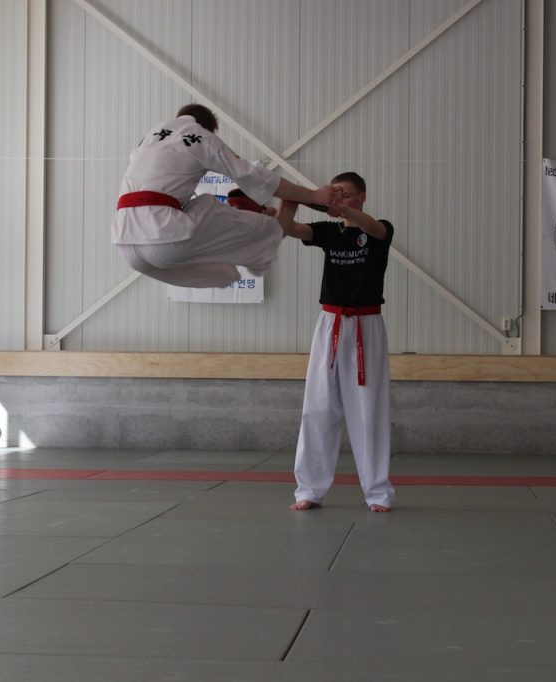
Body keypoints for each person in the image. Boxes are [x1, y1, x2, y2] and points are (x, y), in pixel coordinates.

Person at [112, 103, 339, 288]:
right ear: (209, 129)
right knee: (207, 204)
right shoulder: (200, 136)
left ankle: (246, 248)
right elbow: (251, 175)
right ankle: (271, 229)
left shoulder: (150, 137)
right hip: (164, 236)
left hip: (126, 246)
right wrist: (313, 195)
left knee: (222, 274)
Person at [281, 173, 397, 512]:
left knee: (368, 411)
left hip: (366, 325)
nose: (339, 199)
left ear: (362, 196)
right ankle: (309, 489)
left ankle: (378, 492)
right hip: (329, 323)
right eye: (334, 194)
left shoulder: (379, 229)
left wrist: (342, 209)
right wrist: (287, 202)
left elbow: (374, 229)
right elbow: (292, 229)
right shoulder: (331, 232)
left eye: (345, 194)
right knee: (318, 407)